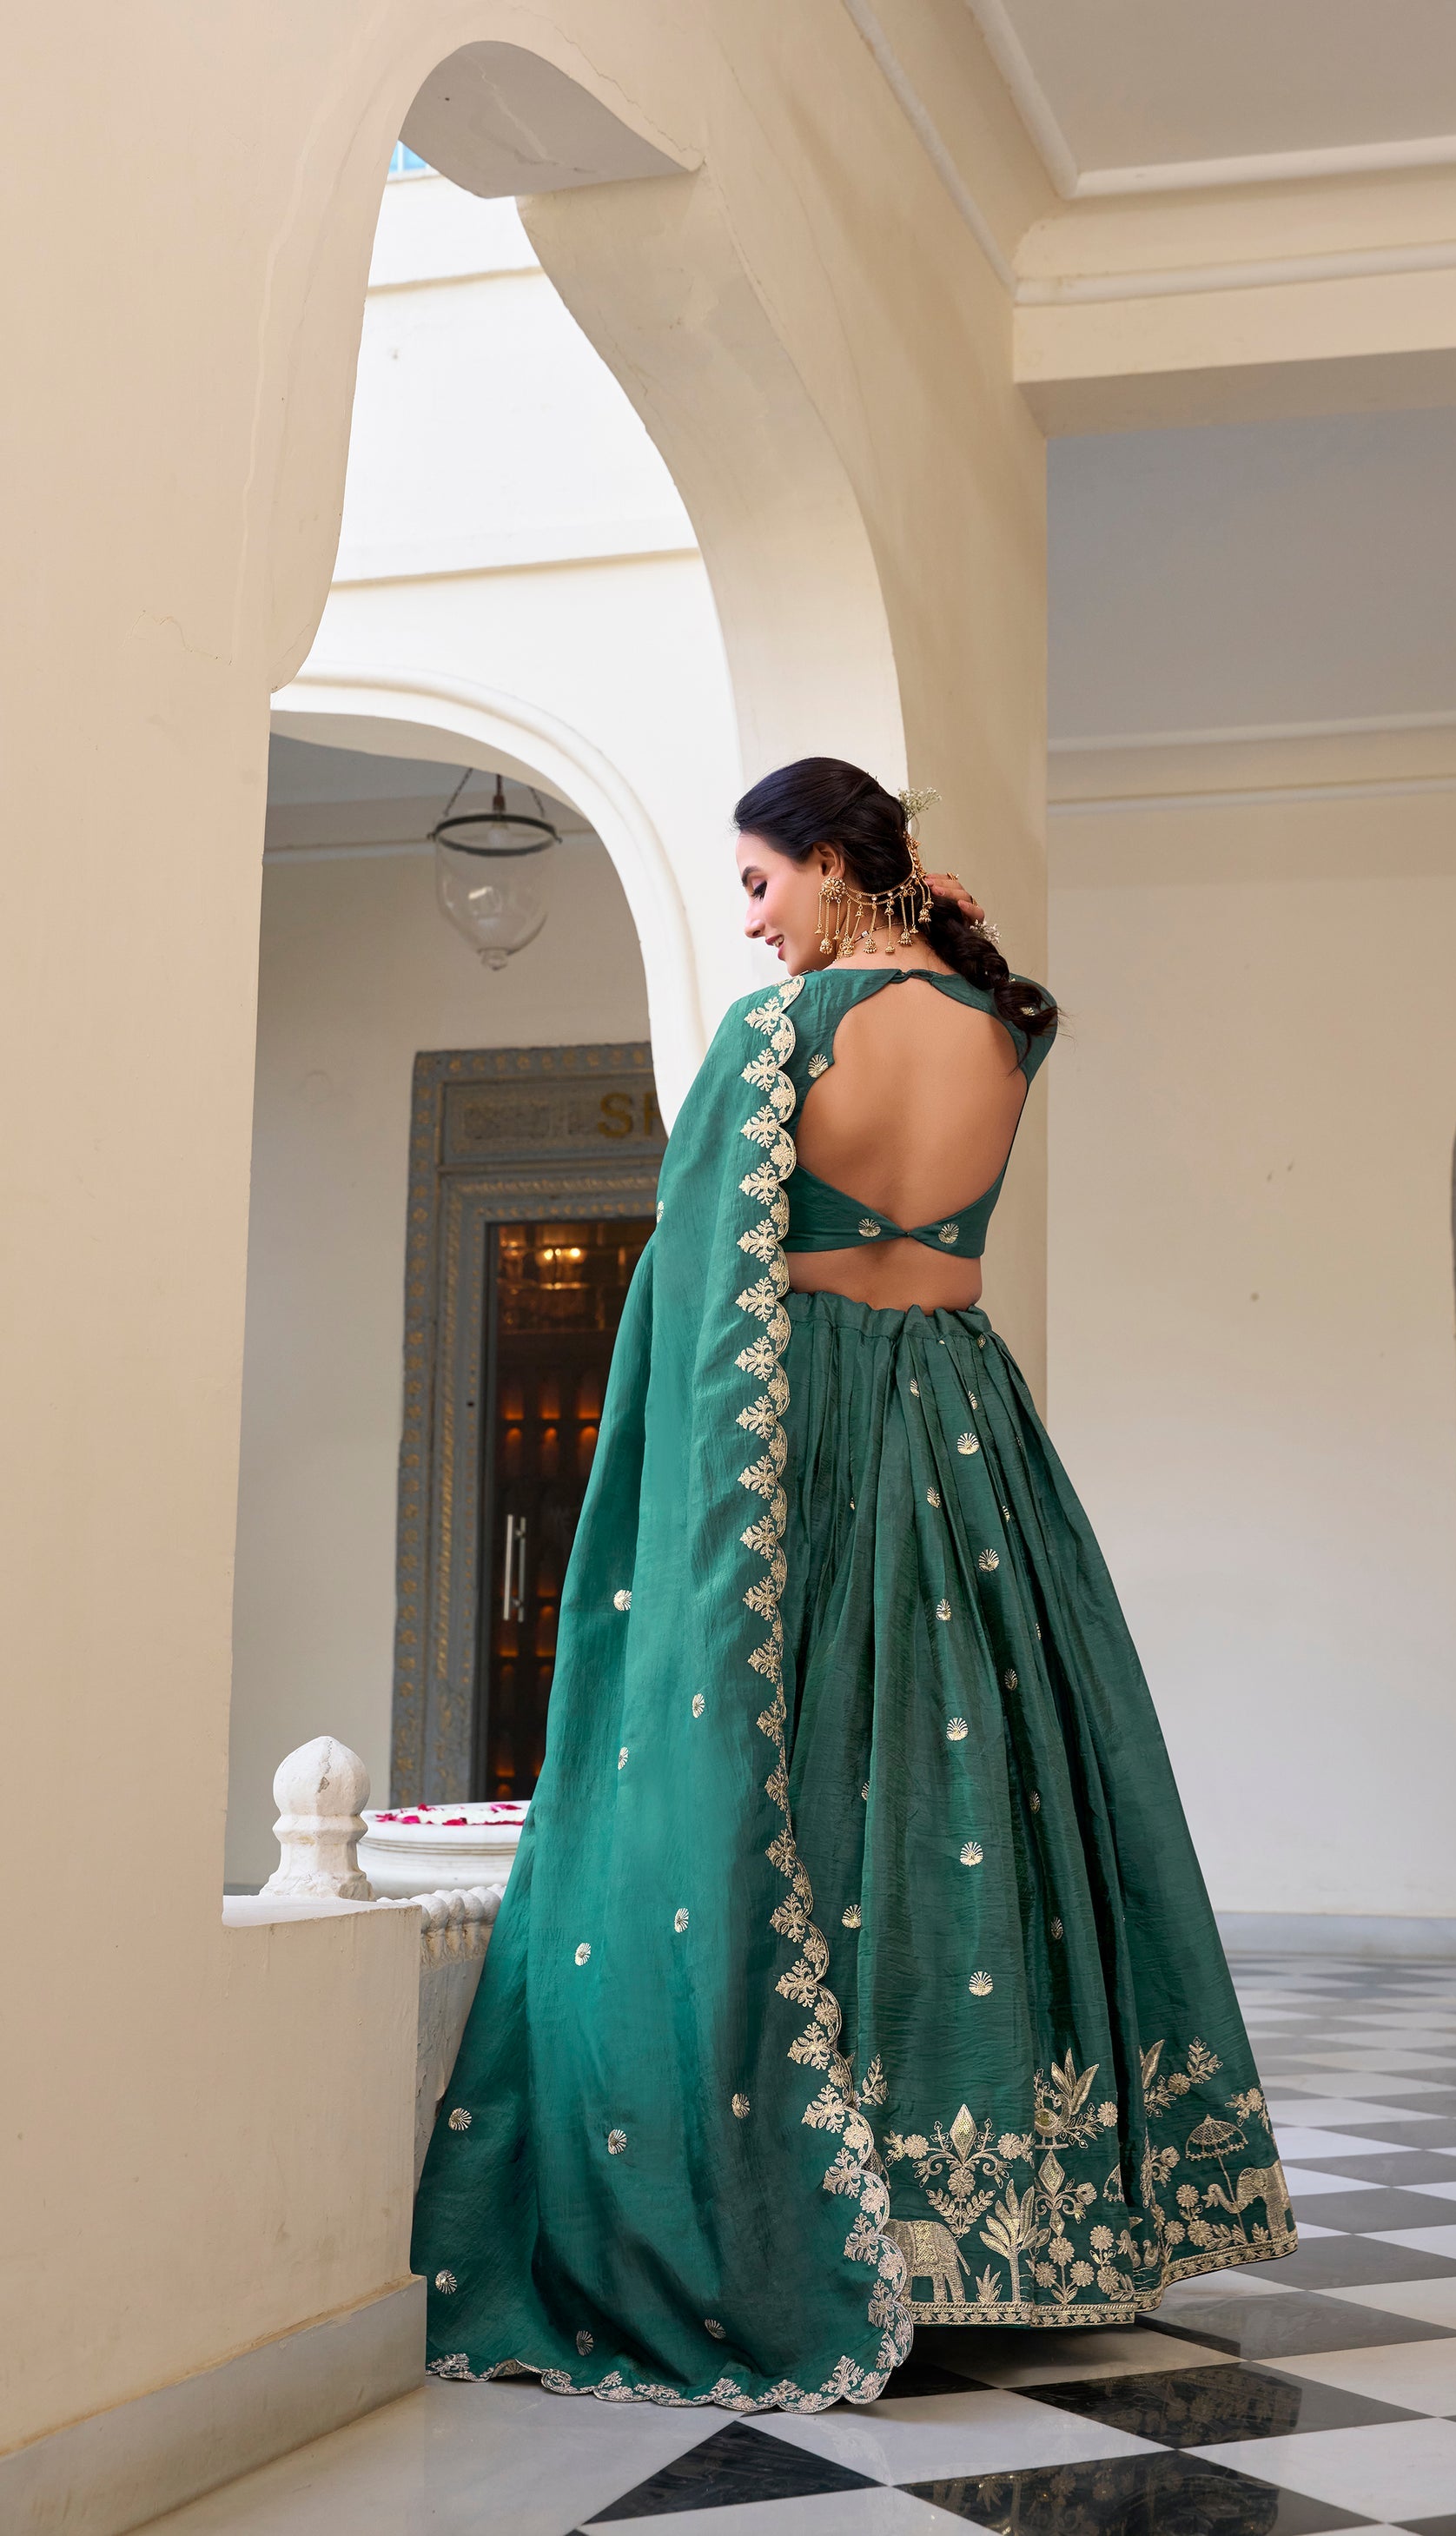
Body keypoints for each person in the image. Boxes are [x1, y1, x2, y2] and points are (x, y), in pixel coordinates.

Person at [412, 758, 1294, 2413]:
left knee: (792, 1774)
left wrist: (667, 1541)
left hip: (801, 1419)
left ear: (829, 865)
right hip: (956, 1410)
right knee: (978, 1778)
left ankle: (806, 2215)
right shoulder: (1006, 1028)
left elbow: (696, 1285)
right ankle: (1005, 2222)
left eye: (758, 883)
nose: (752, 922)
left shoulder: (780, 1036)